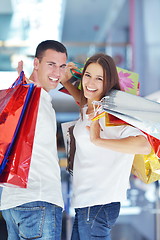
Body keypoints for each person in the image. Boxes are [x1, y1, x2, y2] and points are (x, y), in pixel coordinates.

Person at [61, 53, 151, 240]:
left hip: (99, 203)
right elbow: (83, 99)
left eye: (99, 78)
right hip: (85, 202)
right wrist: (67, 82)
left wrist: (98, 140)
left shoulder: (114, 113)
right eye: (87, 75)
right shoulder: (90, 107)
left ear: (108, 82)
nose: (90, 82)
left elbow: (144, 145)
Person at [0, 40, 69, 240]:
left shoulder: (30, 96)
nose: (57, 72)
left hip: (13, 203)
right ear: (36, 63)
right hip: (39, 201)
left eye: (62, 66)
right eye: (51, 64)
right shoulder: (31, 97)